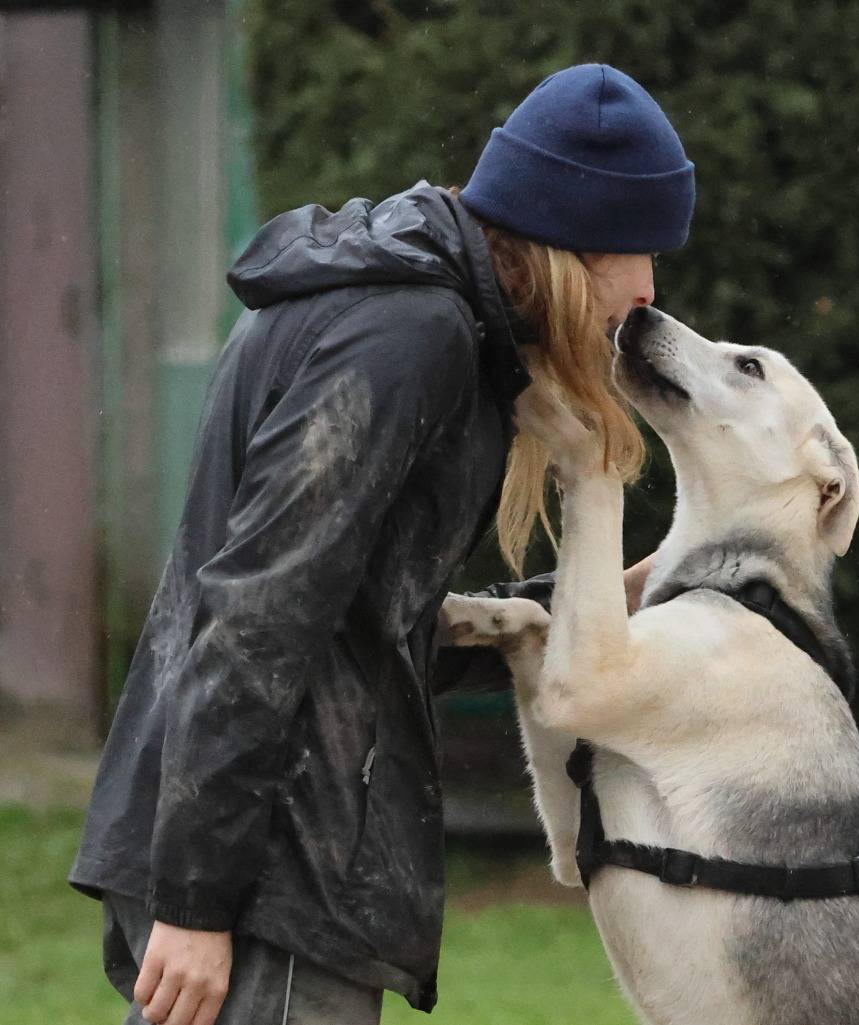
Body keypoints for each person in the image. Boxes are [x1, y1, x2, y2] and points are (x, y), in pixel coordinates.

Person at [69, 63, 695, 1025]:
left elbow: (353, 627)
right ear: (572, 236)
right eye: (639, 250)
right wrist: (197, 903)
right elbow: (258, 617)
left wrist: (569, 608)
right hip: (276, 871)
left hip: (262, 863)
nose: (647, 291)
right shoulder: (411, 332)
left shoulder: (388, 302)